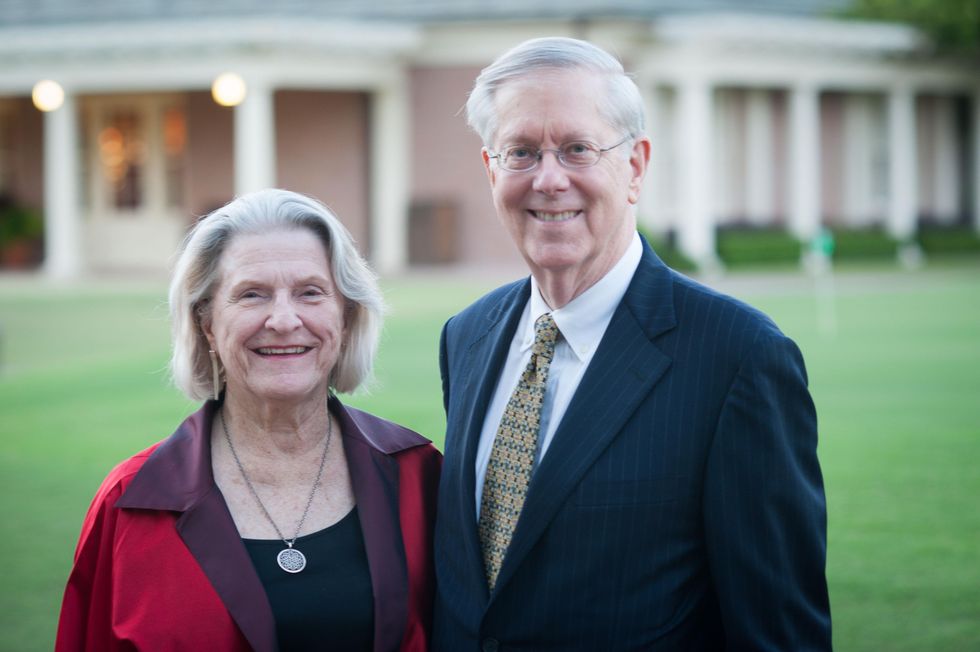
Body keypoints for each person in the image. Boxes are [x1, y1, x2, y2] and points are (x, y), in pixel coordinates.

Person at [433, 37, 831, 650]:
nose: (548, 178)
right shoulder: (467, 337)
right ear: (491, 171)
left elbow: (778, 630)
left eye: (577, 149)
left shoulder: (739, 358)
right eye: (520, 153)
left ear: (636, 167)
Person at [56, 189, 441, 651]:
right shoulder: (130, 503)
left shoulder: (419, 476)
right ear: (207, 324)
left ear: (347, 315)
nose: (283, 319)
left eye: (310, 293)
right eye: (252, 295)